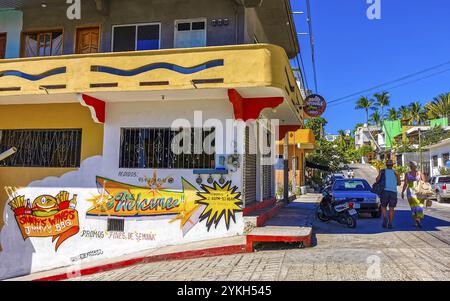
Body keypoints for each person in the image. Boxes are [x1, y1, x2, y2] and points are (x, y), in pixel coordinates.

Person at [376, 159, 400, 229]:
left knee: (383, 206)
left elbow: (377, 180)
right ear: (392, 165)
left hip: (384, 191)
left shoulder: (383, 171)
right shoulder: (396, 172)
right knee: (391, 208)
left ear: (386, 165)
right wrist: (397, 176)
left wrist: (380, 173)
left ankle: (385, 217)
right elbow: (399, 183)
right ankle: (390, 223)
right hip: (393, 192)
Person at [401, 161, 427, 228]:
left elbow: (405, 184)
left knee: (413, 206)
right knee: (419, 205)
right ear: (416, 166)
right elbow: (424, 182)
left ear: (410, 167)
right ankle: (418, 219)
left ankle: (416, 221)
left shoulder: (407, 174)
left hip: (410, 191)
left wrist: (402, 192)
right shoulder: (420, 173)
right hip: (419, 192)